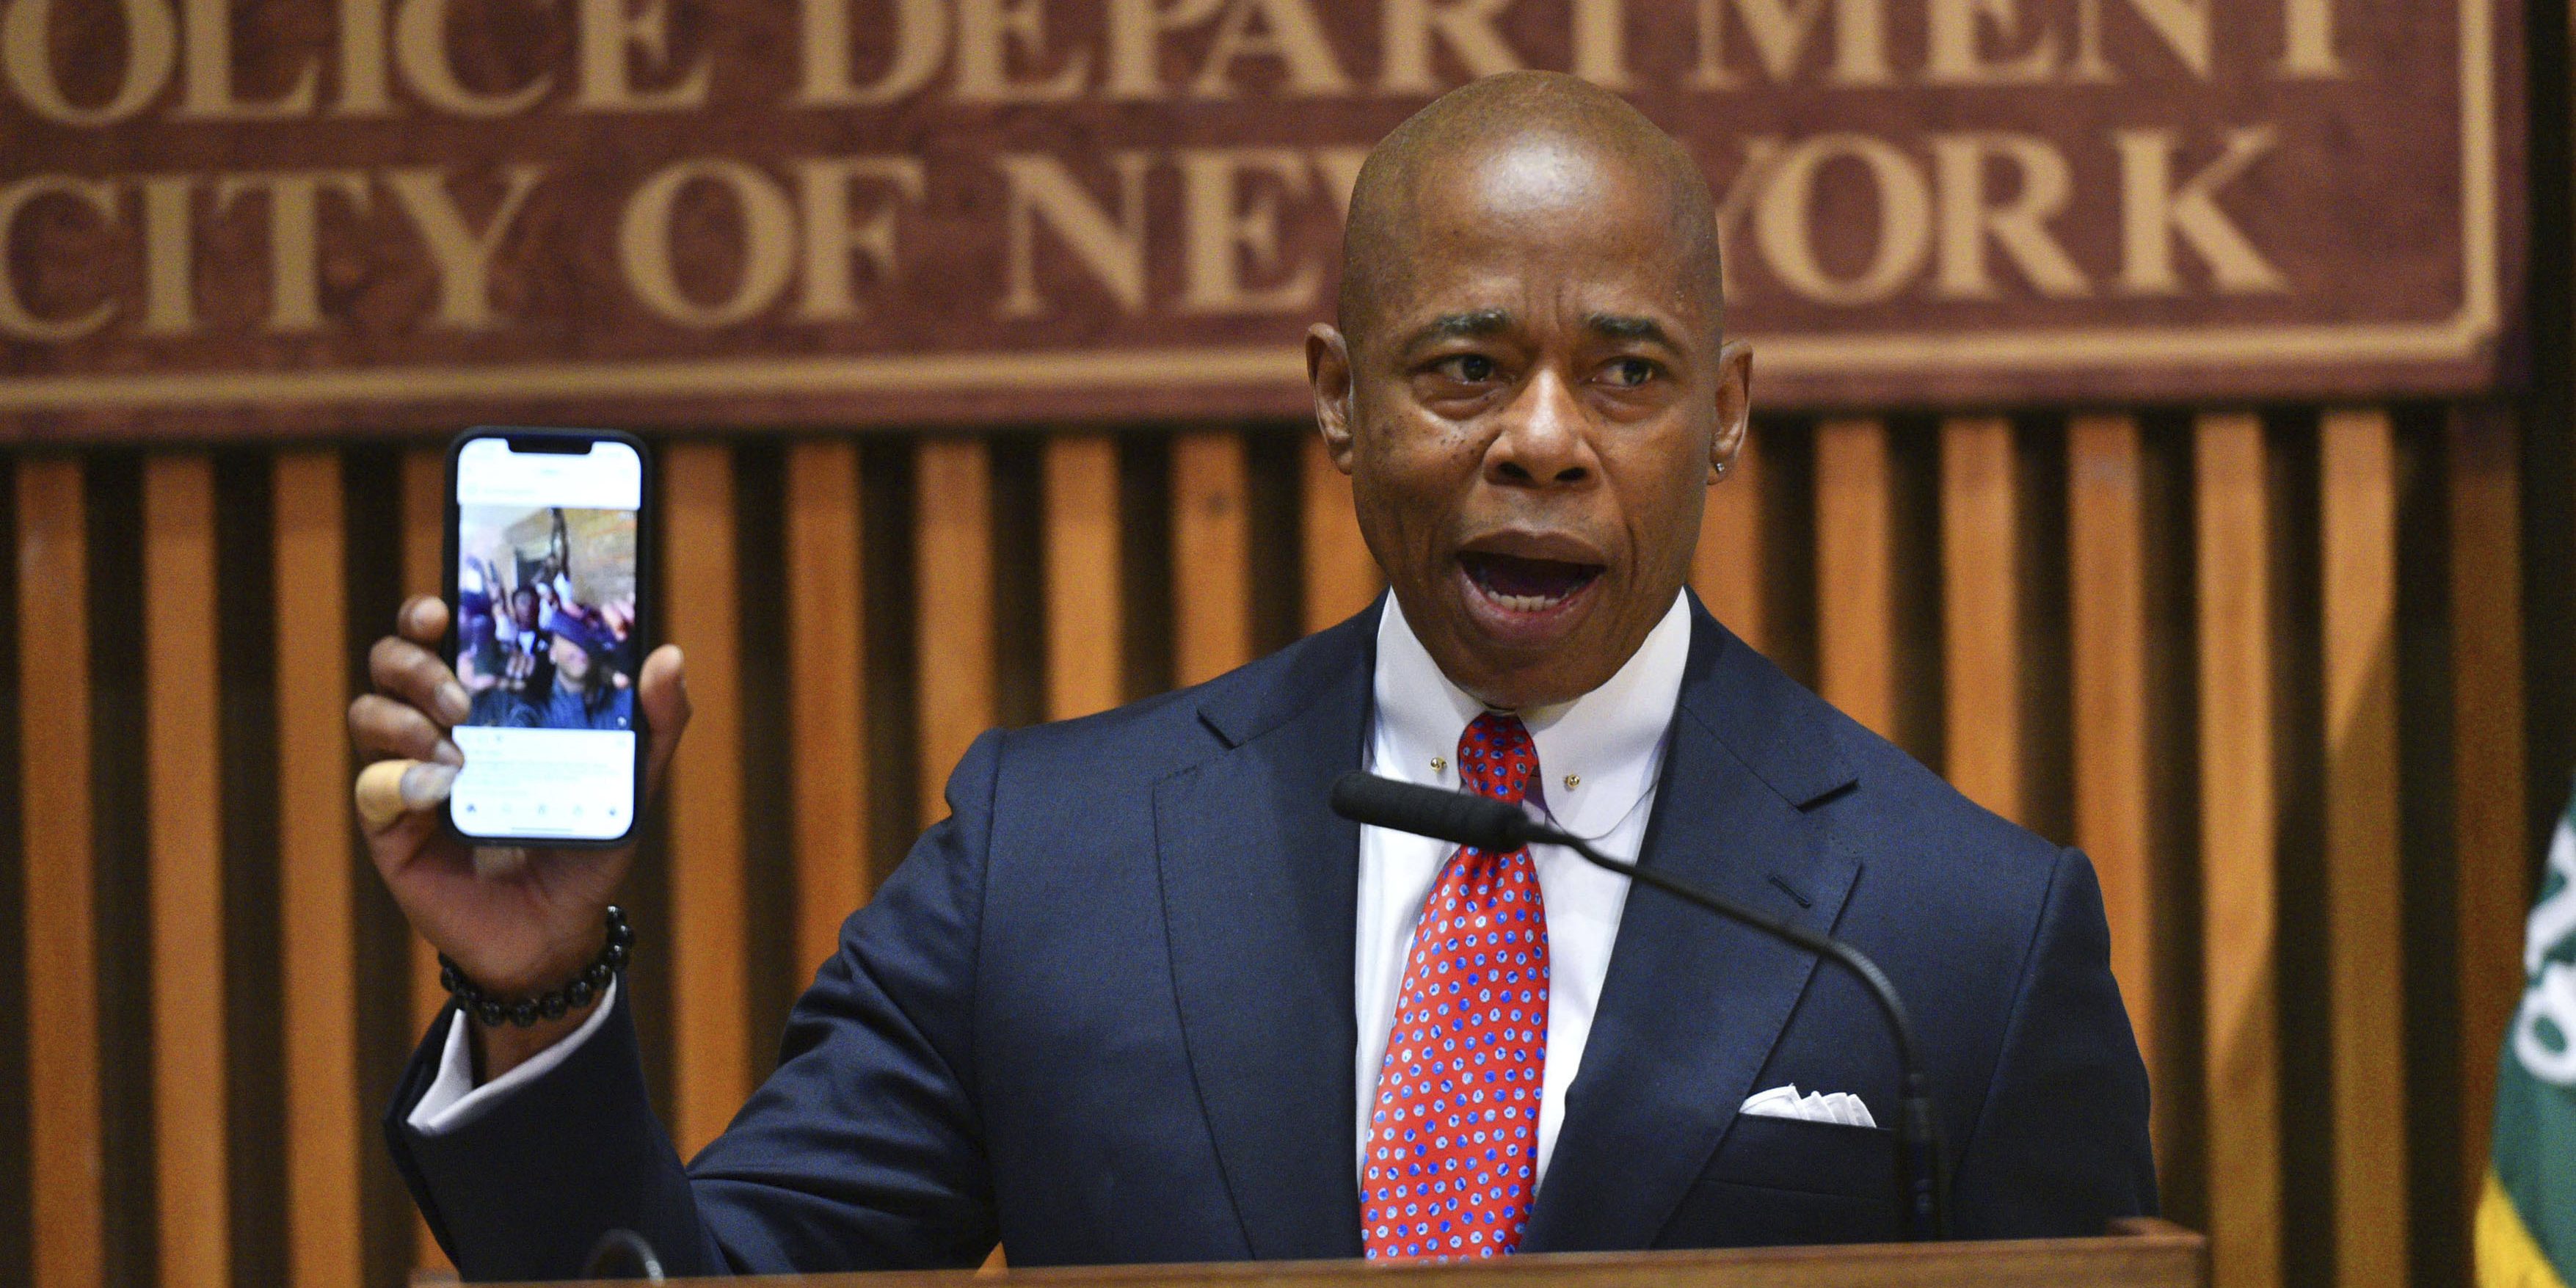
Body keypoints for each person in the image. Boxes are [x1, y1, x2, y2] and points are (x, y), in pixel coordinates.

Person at [348, 73, 2153, 1279]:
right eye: (1463, 369)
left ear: (1727, 416)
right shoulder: (1047, 861)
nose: (1544, 439)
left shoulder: (1956, 940)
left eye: (1626, 374)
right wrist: (541, 991)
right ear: (1336, 399)